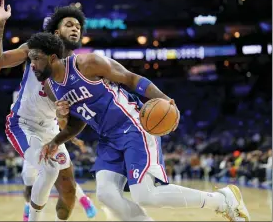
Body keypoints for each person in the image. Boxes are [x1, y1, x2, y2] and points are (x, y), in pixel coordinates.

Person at [26, 32, 251, 221]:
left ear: (52, 57)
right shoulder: (53, 87)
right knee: (106, 195)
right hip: (108, 139)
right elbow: (78, 122)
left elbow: (132, 79)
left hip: (132, 126)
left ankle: (222, 200)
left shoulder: (87, 64)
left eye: (36, 58)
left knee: (145, 194)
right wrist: (56, 140)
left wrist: (166, 101)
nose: (32, 64)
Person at [0, 0, 96, 221]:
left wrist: (64, 114)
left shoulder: (78, 68)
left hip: (50, 128)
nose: (75, 28)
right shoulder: (35, 48)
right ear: (55, 32)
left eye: (78, 26)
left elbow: (68, 117)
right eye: (69, 24)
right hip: (23, 124)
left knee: (68, 188)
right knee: (49, 169)